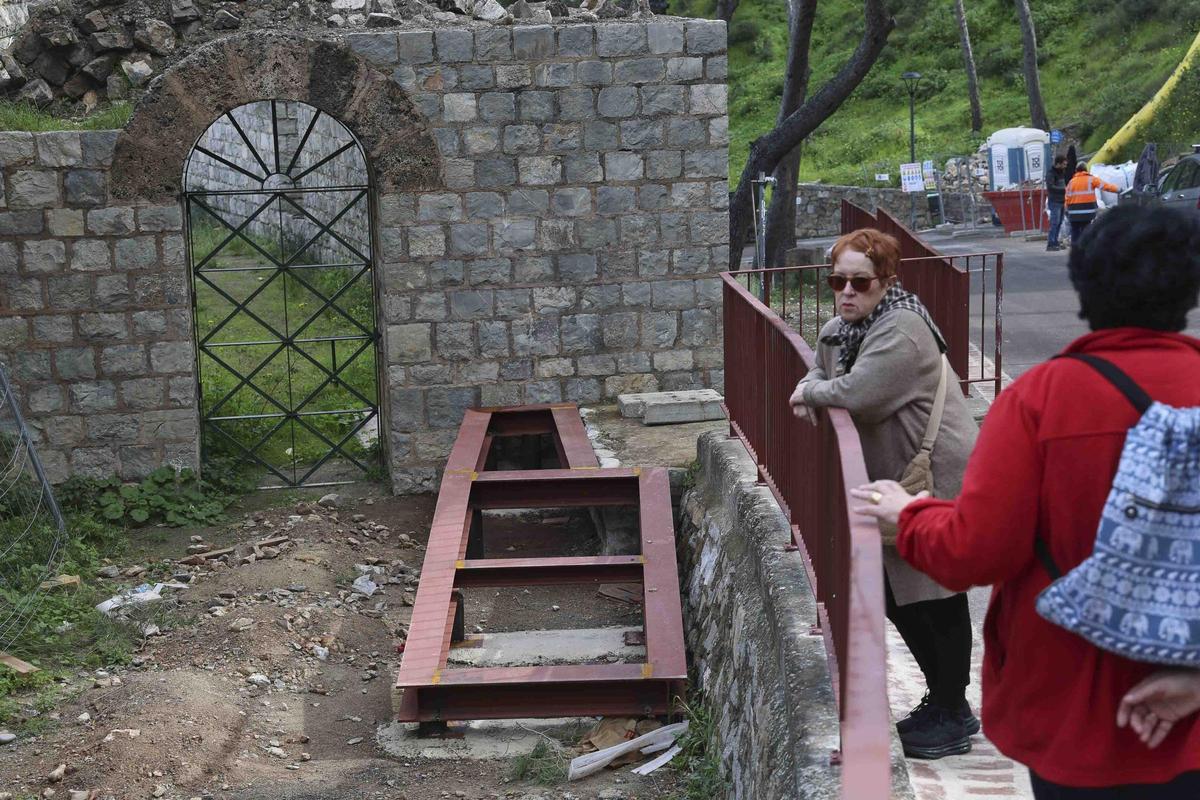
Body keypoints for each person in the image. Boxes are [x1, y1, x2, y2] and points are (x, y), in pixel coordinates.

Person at [852, 205, 1200, 798]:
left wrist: (909, 516)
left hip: (1072, 706)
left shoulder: (1042, 400)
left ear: (1082, 284)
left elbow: (975, 552)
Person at [787, 228, 980, 759]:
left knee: (935, 592)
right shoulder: (844, 328)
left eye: (860, 282)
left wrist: (811, 394)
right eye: (837, 281)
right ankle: (943, 701)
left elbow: (860, 394)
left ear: (885, 281)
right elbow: (822, 365)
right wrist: (813, 383)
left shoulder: (903, 328)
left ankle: (952, 711)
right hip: (896, 476)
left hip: (934, 473)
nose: (847, 292)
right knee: (899, 593)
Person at [1065, 162, 1120, 244]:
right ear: (1086, 170)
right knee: (1086, 230)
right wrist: (1118, 189)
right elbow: (1106, 186)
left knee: (1075, 230)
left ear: (1076, 170)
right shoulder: (1091, 179)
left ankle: (1075, 249)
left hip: (1073, 213)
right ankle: (1085, 248)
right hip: (1087, 212)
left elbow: (1067, 198)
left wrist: (1066, 210)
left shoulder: (1071, 182)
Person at [1046, 155, 1069, 251]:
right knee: (1054, 223)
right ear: (1058, 164)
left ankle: (1055, 241)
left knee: (1059, 222)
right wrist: (1064, 190)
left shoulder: (1061, 172)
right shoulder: (1051, 173)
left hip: (1061, 201)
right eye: (1063, 164)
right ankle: (1051, 243)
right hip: (1055, 201)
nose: (1065, 166)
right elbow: (1050, 187)